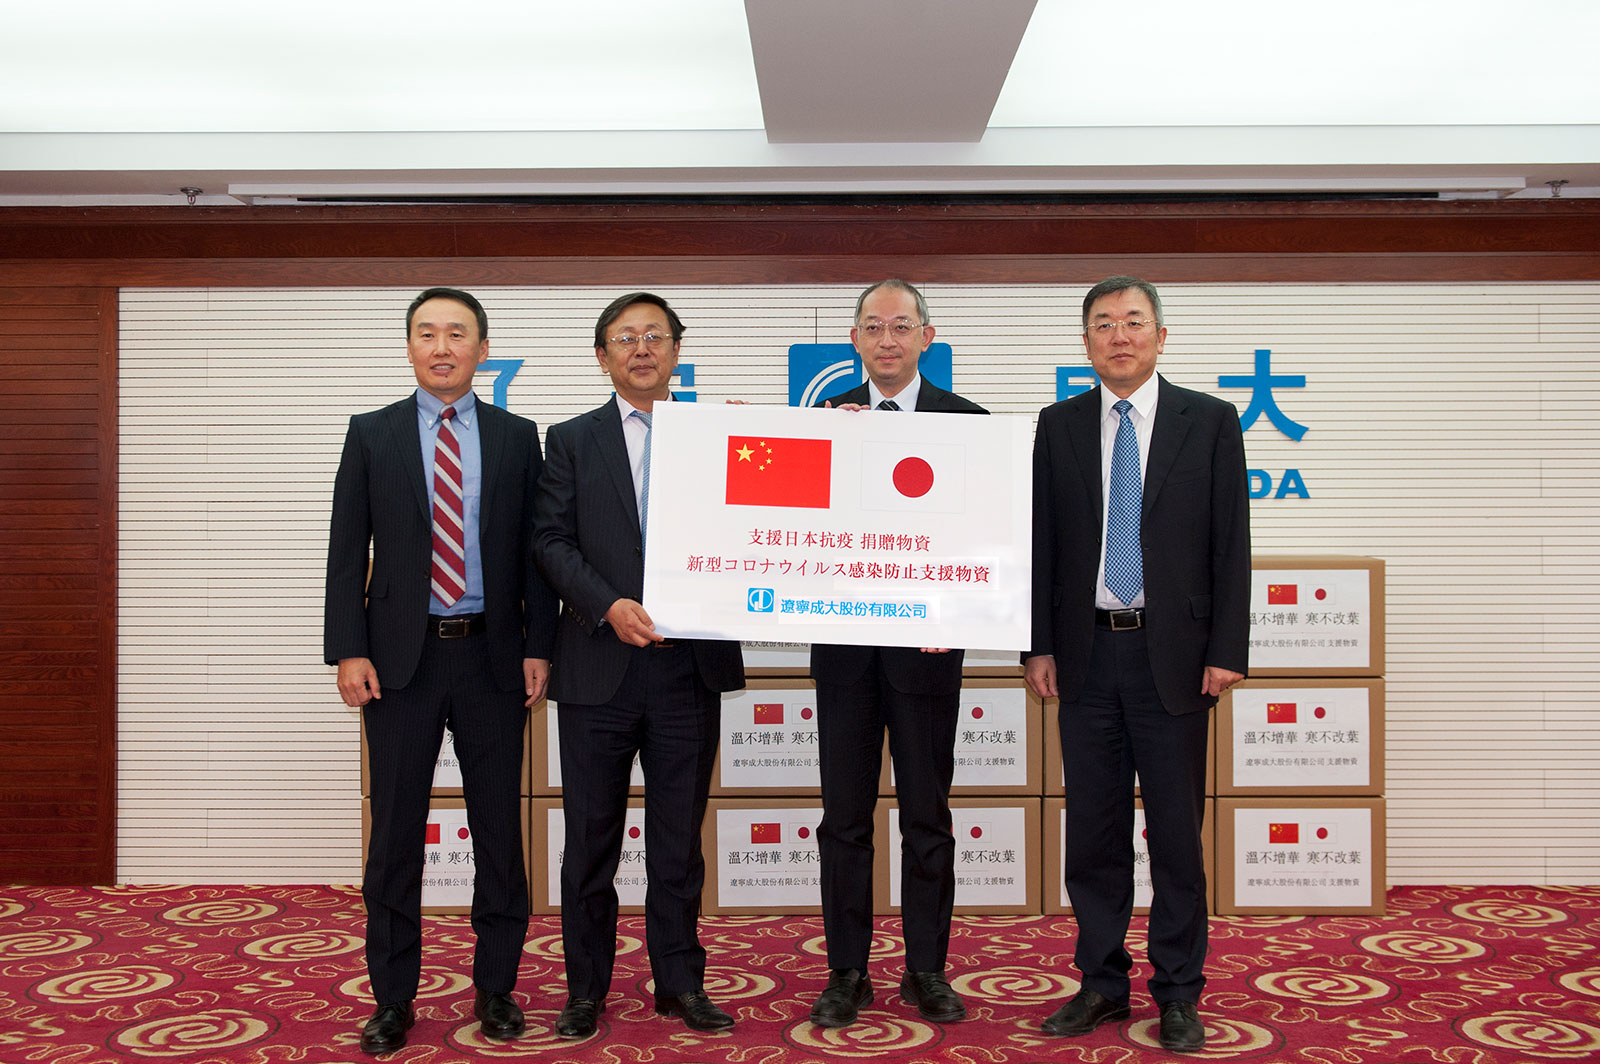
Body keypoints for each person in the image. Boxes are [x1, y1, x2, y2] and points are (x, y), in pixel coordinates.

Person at [325, 287, 557, 1054]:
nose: (442, 346)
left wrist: (539, 645)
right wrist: (348, 648)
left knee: (498, 832)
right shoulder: (372, 433)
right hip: (400, 663)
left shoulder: (518, 437)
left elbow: (536, 554)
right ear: (409, 348)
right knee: (395, 833)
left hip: (492, 656)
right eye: (426, 333)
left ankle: (497, 987)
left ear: (482, 351)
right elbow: (346, 548)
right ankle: (393, 996)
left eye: (457, 333)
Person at [1024, 276, 1250, 1053]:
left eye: (1133, 321)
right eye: (1102, 324)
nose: (1118, 336)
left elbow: (1231, 543)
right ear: (1085, 341)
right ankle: (1101, 983)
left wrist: (1226, 650)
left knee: (1177, 836)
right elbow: (1041, 541)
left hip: (1175, 658)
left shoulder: (1209, 421)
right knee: (1093, 833)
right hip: (1085, 654)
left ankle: (1179, 991)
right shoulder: (1057, 425)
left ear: (1160, 335)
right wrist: (1038, 644)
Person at [532, 292, 745, 1039]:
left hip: (689, 670)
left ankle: (680, 982)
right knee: (591, 841)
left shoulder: (719, 434)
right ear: (603, 357)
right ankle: (585, 989)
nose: (642, 348)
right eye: (626, 338)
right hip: (599, 668)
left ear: (677, 352)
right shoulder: (569, 440)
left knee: (677, 845)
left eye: (656, 335)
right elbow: (550, 541)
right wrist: (608, 604)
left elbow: (769, 522)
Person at [807, 279, 987, 1029]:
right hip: (845, 656)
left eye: (901, 326)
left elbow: (988, 538)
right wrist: (803, 443)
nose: (887, 339)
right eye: (874, 327)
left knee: (927, 817)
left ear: (927, 337)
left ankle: (926, 969)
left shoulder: (968, 424)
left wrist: (963, 609)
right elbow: (786, 527)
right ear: (854, 339)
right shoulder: (822, 422)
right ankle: (847, 971)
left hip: (926, 655)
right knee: (844, 820)